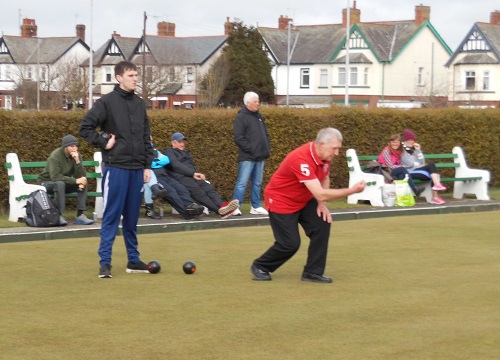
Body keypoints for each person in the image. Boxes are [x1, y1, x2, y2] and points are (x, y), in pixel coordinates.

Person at [250, 128, 366, 283]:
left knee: (322, 223)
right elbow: (320, 193)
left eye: (339, 148)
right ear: (322, 144)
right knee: (290, 244)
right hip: (280, 200)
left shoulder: (324, 157)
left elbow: (324, 178)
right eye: (335, 148)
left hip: (303, 198)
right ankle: (261, 266)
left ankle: (312, 273)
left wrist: (322, 204)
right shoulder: (301, 159)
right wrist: (352, 191)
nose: (337, 153)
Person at [79, 60, 156, 279]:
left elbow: (145, 136)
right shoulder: (106, 102)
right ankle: (105, 263)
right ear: (119, 77)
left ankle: (133, 260)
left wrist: (147, 165)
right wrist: (104, 142)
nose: (135, 79)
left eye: (136, 75)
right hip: (116, 169)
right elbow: (85, 128)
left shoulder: (140, 104)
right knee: (112, 216)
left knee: (132, 218)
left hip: (136, 170)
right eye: (131, 75)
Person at [164, 132, 239, 218]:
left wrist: (196, 174)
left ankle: (223, 206)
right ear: (173, 143)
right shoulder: (169, 151)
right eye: (180, 142)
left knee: (208, 187)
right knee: (199, 192)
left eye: (183, 142)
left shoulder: (186, 153)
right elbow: (176, 165)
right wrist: (193, 173)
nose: (182, 144)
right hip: (180, 177)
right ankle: (219, 211)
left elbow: (191, 166)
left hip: (191, 175)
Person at [38, 134, 94, 226]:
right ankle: (59, 215)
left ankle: (80, 216)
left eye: (76, 146)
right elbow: (55, 177)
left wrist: (77, 161)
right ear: (65, 147)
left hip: (63, 182)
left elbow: (80, 176)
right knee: (60, 184)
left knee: (83, 182)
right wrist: (75, 181)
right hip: (47, 183)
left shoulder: (77, 156)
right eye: (72, 146)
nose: (75, 148)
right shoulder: (55, 156)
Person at [231, 91, 271, 216]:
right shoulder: (241, 117)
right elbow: (238, 138)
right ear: (248, 103)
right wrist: (251, 149)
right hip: (247, 157)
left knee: (257, 183)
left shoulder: (259, 116)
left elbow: (265, 133)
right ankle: (235, 207)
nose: (258, 104)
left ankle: (256, 206)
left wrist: (266, 147)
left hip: (260, 156)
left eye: (258, 101)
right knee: (242, 183)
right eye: (255, 101)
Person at [401, 129, 447, 205]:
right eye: (409, 140)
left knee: (433, 173)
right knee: (432, 169)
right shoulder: (402, 150)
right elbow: (410, 164)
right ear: (405, 140)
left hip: (416, 170)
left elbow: (422, 161)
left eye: (412, 140)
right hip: (408, 172)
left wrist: (418, 150)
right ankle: (436, 192)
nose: (411, 142)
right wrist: (420, 165)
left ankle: (436, 194)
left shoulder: (413, 149)